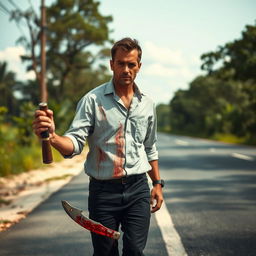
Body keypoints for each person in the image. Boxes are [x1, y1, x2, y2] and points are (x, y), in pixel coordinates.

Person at [33, 37, 164, 256]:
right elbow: (74, 143)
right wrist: (53, 137)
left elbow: (150, 147)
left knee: (134, 251)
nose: (126, 69)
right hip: (104, 193)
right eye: (120, 63)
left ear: (139, 67)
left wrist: (157, 184)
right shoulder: (92, 100)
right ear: (111, 64)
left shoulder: (147, 104)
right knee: (105, 253)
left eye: (131, 64)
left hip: (138, 189)